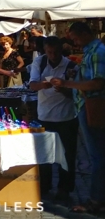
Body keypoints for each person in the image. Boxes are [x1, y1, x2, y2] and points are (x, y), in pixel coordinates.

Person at [50, 22, 105, 214]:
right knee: (97, 155)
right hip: (86, 106)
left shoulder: (98, 52)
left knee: (97, 156)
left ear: (84, 33)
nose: (74, 43)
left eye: (75, 38)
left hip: (92, 107)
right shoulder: (91, 51)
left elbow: (97, 83)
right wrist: (78, 74)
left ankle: (96, 200)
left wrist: (67, 83)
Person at [28, 36, 78, 202]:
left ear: (61, 50)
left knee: (67, 156)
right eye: (49, 52)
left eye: (56, 52)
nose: (53, 55)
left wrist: (63, 87)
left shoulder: (71, 66)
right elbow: (32, 85)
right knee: (44, 155)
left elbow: (76, 94)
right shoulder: (40, 62)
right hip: (44, 116)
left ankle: (64, 188)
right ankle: (44, 186)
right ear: (45, 50)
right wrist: (43, 85)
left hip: (66, 117)